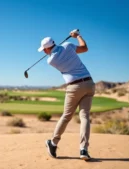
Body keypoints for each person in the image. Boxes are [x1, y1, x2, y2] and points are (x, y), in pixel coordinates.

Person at [37, 29, 95, 161]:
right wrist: (77, 36)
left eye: (44, 50)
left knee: (66, 116)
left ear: (46, 49)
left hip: (74, 86)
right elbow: (84, 48)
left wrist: (54, 50)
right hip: (89, 83)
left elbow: (56, 53)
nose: (44, 52)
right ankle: (83, 149)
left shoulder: (51, 60)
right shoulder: (68, 46)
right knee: (84, 116)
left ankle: (53, 143)